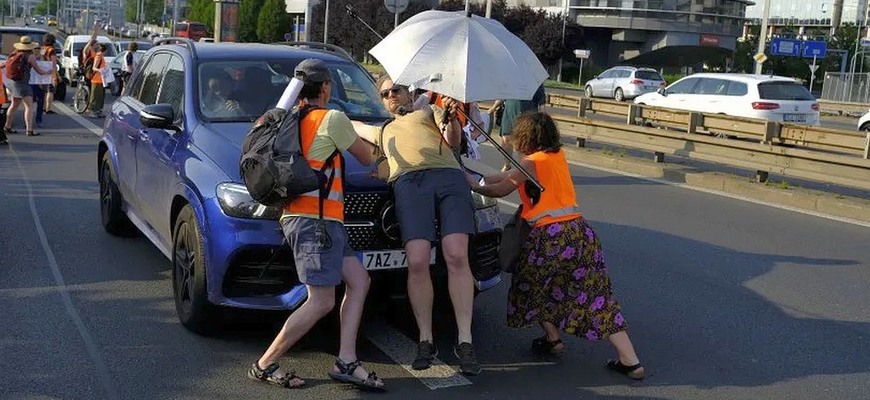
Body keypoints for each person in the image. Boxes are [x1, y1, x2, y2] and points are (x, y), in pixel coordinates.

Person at [468, 111, 646, 380]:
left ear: (525, 137)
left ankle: (553, 339)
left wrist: (472, 185)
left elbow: (500, 189)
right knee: (596, 297)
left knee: (530, 286)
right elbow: (503, 178)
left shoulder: (531, 162)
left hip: (550, 237)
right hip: (580, 234)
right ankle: (630, 360)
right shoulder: (554, 157)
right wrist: (481, 177)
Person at [248, 59, 386, 392]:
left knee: (359, 280)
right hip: (315, 222)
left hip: (321, 221)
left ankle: (346, 360)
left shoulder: (282, 119)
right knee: (321, 300)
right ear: (325, 88)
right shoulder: (332, 119)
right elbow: (367, 157)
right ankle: (265, 364)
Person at [375, 75, 481, 376]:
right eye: (385, 94)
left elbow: (453, 141)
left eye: (396, 89)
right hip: (408, 183)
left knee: (456, 253)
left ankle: (465, 339)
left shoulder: (429, 111)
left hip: (449, 177)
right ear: (381, 101)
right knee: (418, 259)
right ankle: (425, 339)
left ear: (409, 93)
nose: (391, 95)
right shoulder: (384, 128)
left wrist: (450, 115)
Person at [3, 36, 52, 137]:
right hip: (23, 83)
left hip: (13, 82)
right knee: (29, 107)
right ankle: (29, 130)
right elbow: (38, 70)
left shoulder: (14, 53)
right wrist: (48, 72)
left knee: (13, 105)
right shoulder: (29, 56)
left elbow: (5, 64)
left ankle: (7, 126)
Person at [490, 83, 546, 171]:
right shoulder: (512, 78)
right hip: (510, 113)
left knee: (523, 144)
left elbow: (542, 104)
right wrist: (493, 108)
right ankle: (507, 164)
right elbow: (502, 96)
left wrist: (542, 119)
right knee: (505, 140)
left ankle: (523, 169)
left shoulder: (536, 82)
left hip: (527, 116)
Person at [85, 43, 108, 118]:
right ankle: (92, 112)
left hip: (101, 80)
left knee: (100, 97)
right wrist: (100, 70)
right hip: (96, 79)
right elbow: (94, 68)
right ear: (105, 51)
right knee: (94, 96)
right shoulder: (98, 56)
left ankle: (98, 111)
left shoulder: (101, 56)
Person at [41, 33, 59, 115]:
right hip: (50, 71)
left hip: (42, 71)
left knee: (44, 91)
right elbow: (54, 64)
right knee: (50, 91)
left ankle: (43, 107)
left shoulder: (42, 49)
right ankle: (48, 108)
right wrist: (55, 76)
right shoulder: (52, 50)